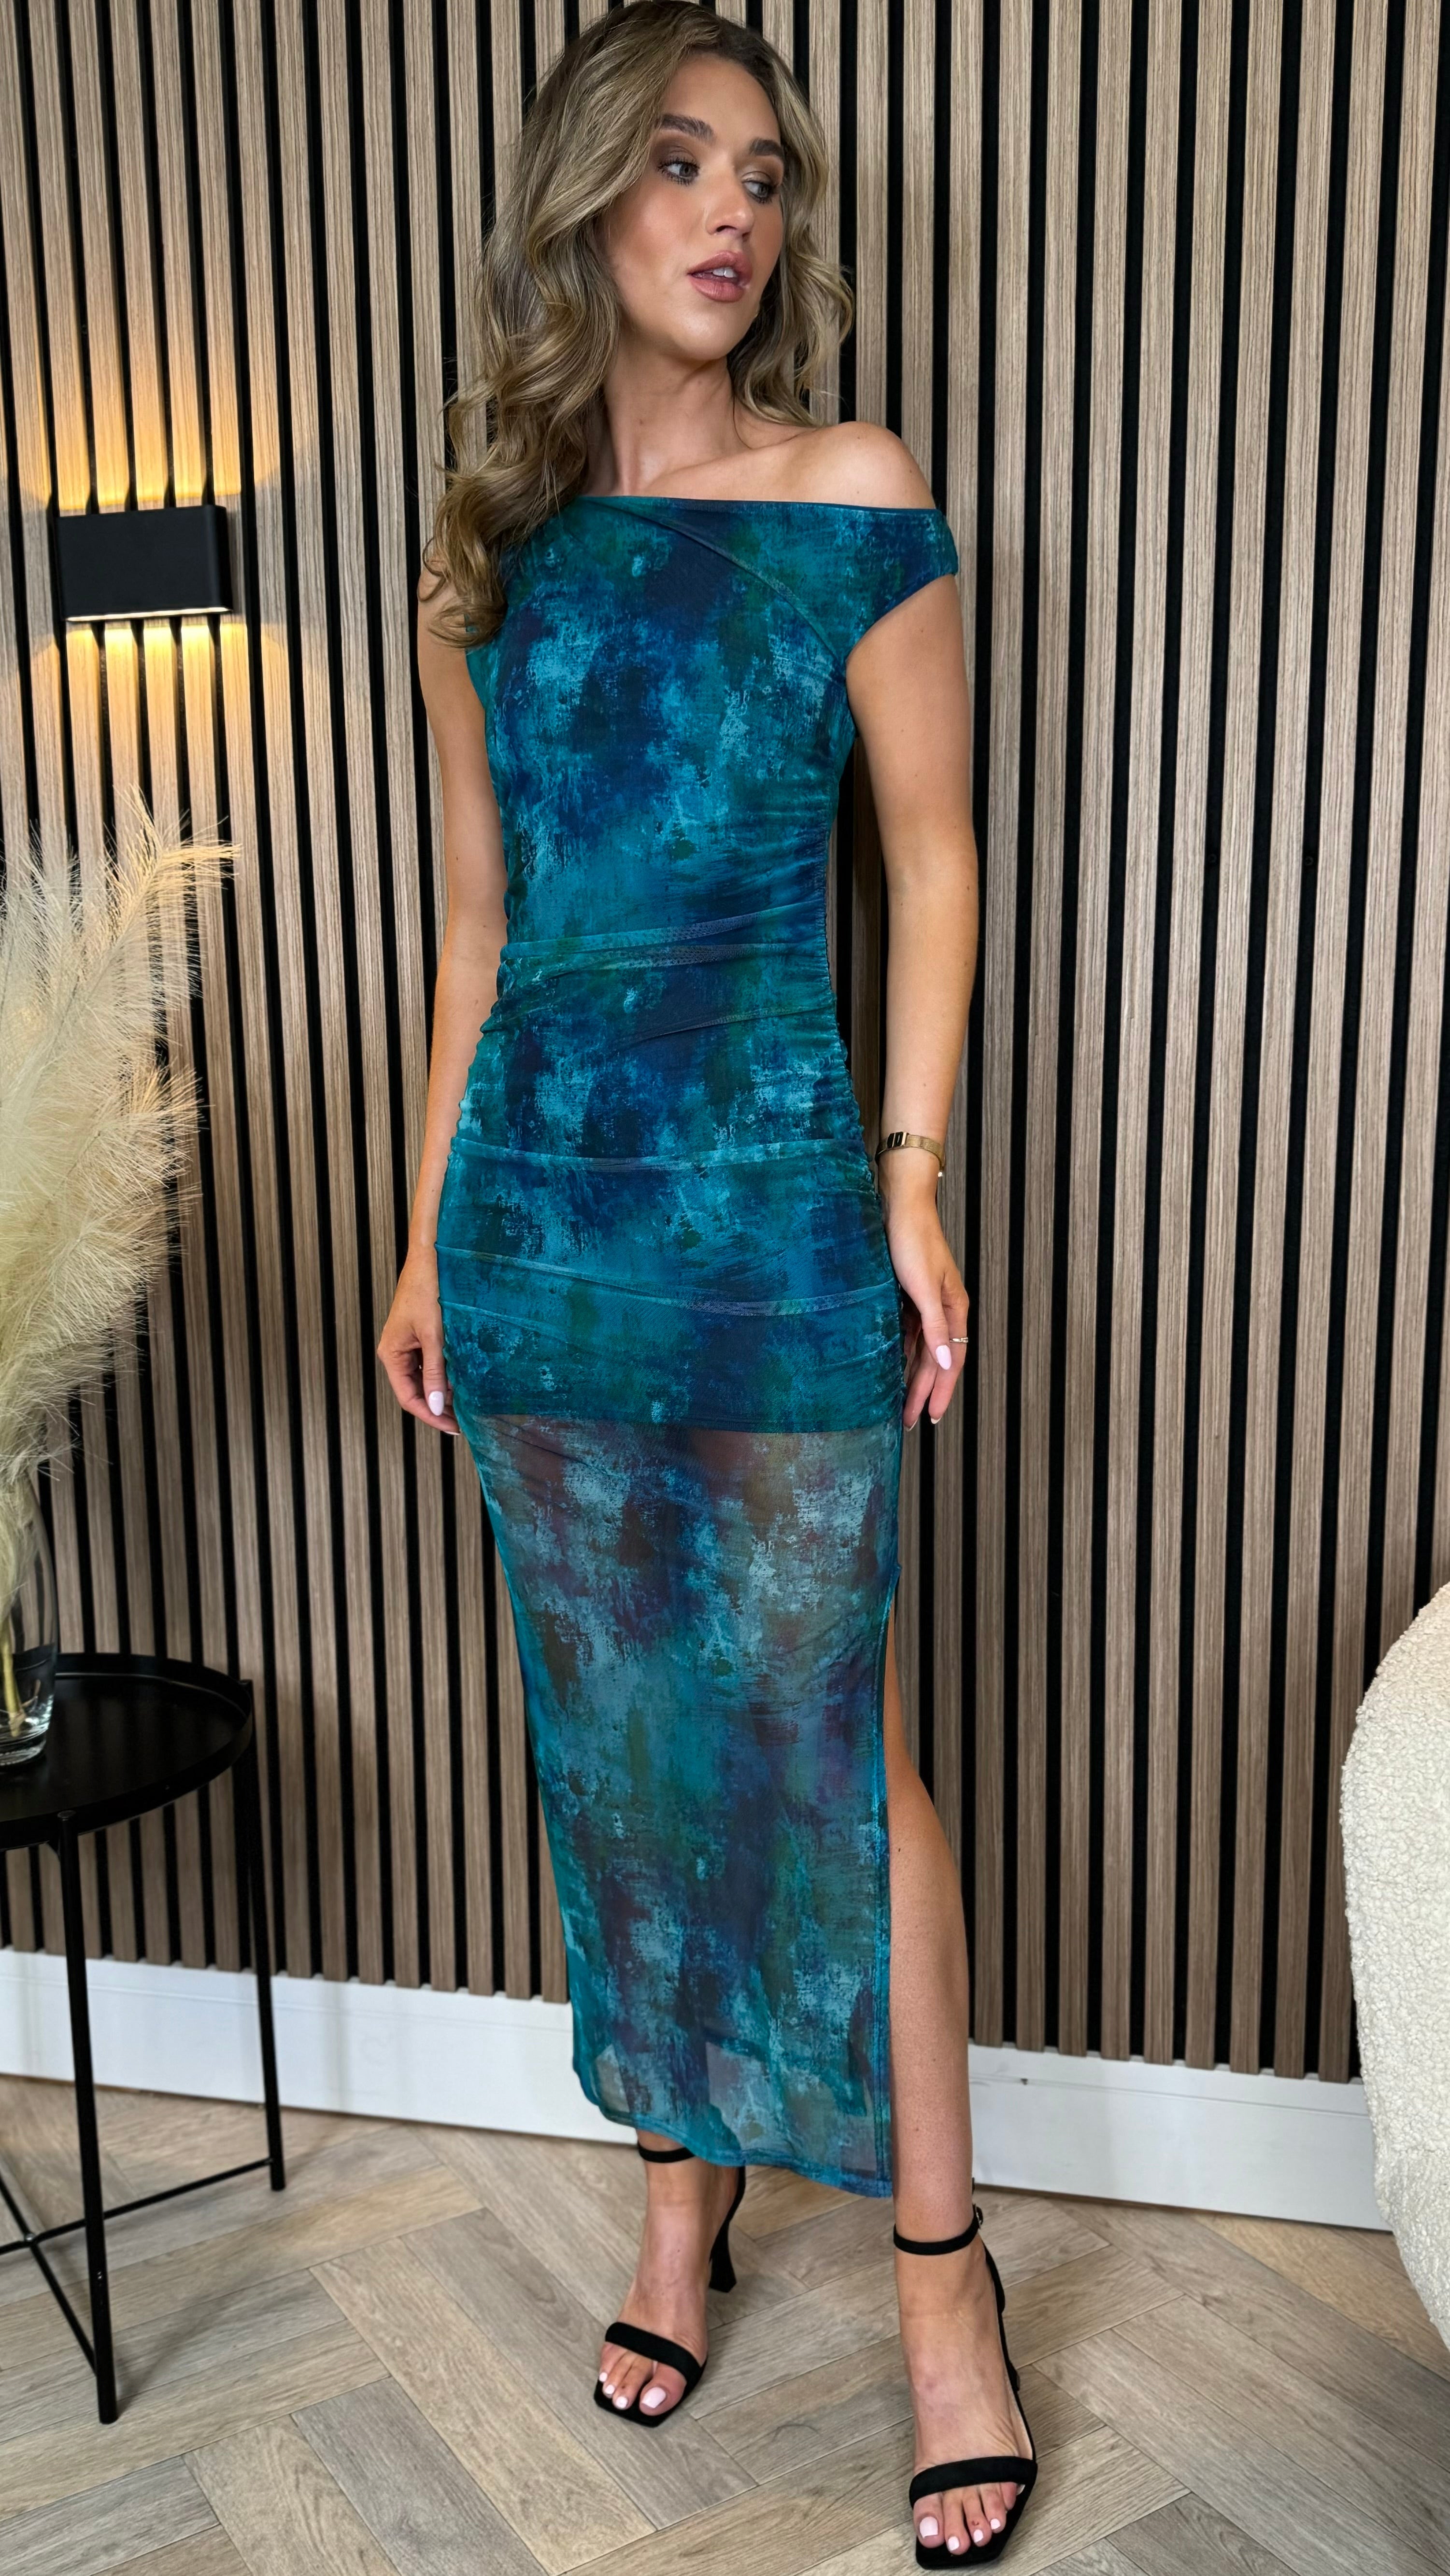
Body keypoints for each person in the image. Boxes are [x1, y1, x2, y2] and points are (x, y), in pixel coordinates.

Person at [378, 5, 1034, 2562]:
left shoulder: (852, 490)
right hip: (541, 1231)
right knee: (622, 1750)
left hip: (768, 1215)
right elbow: (479, 929)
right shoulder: (484, 557)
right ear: (584, 202)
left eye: (760, 172)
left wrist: (912, 1172)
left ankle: (947, 2292)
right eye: (675, 163)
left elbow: (936, 859)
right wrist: (424, 1234)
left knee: (832, 1754)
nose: (732, 211)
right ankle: (681, 2206)